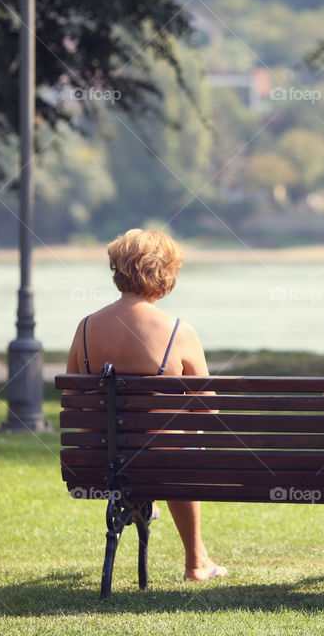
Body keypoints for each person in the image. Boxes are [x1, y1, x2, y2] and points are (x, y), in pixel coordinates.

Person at [65, 229, 227, 581]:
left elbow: (75, 406)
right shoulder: (179, 331)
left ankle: (144, 500)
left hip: (103, 463)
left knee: (159, 443)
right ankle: (196, 561)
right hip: (165, 461)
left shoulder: (86, 327)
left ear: (118, 270)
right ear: (165, 274)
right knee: (181, 441)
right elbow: (209, 410)